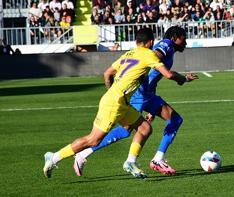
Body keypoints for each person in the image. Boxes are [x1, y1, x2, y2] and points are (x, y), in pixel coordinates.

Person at [43, 27, 197, 179]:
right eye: (184, 37)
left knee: (145, 128)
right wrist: (182, 79)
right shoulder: (162, 47)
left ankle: (135, 161)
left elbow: (108, 73)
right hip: (127, 98)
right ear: (151, 42)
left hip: (127, 98)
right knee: (96, 138)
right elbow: (166, 73)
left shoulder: (129, 53)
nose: (186, 41)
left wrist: (113, 91)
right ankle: (58, 156)